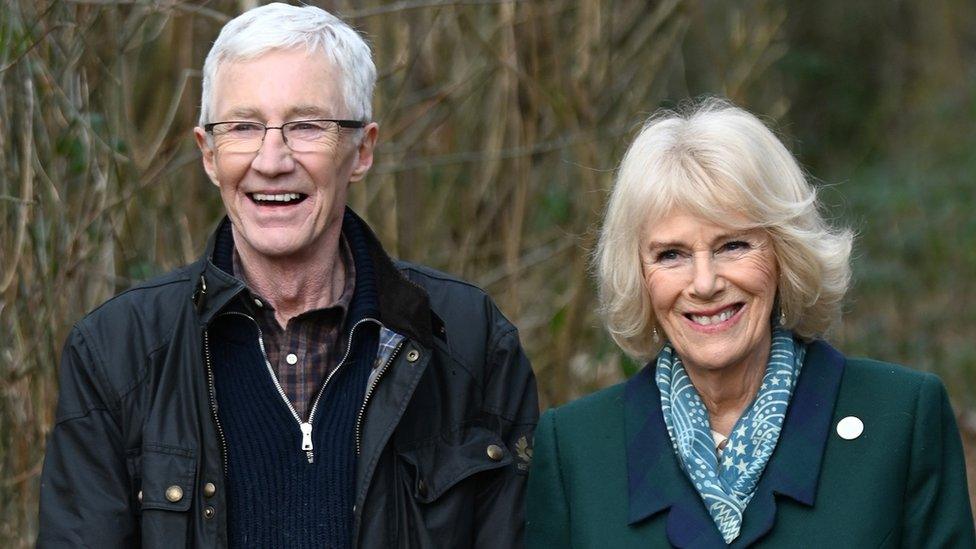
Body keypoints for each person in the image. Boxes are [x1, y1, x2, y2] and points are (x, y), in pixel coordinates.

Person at [38, 3, 538, 547]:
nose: (271, 159)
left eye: (305, 126)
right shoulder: (117, 353)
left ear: (362, 150)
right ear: (208, 154)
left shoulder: (468, 340)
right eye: (243, 127)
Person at [525, 99, 975, 547]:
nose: (704, 283)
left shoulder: (902, 419)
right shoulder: (575, 450)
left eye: (734, 245)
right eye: (671, 254)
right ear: (639, 274)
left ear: (784, 252)